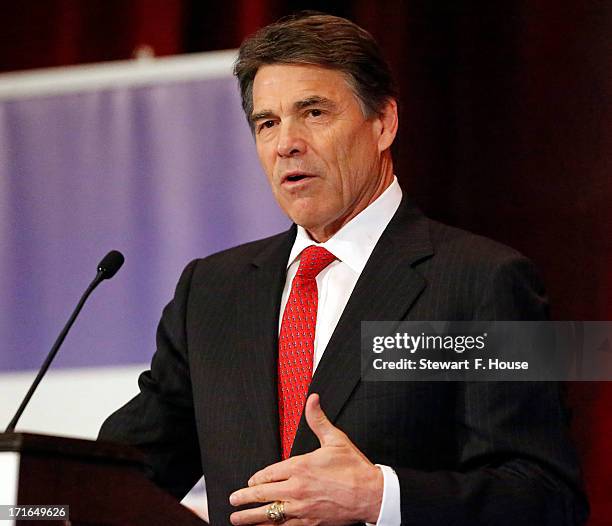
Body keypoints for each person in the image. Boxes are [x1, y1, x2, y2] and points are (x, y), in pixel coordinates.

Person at [99, 13, 588, 525]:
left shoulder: (485, 281)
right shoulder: (212, 292)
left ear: (383, 124)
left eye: (313, 112)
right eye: (267, 123)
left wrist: (380, 497)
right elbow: (118, 480)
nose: (286, 142)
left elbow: (547, 498)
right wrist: (24, 505)